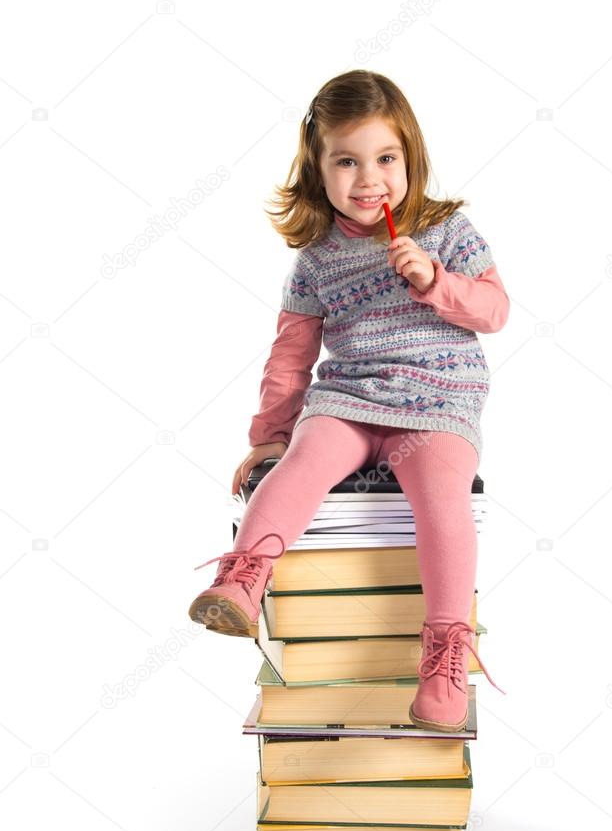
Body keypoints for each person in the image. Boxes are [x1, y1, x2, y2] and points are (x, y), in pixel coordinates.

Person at [188, 69, 510, 733]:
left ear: (409, 159)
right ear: (320, 169)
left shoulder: (448, 231)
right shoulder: (316, 260)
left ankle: (446, 653)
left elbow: (495, 309)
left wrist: (435, 280)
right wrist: (270, 434)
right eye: (348, 161)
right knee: (299, 467)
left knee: (443, 505)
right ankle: (243, 579)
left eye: (385, 158)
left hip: (436, 403)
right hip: (351, 399)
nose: (370, 178)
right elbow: (291, 355)